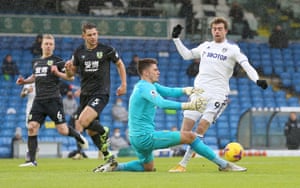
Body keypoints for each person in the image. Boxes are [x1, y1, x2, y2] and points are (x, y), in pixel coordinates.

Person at [93, 58, 246, 173]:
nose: (158, 71)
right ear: (146, 72)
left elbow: (169, 91)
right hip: (145, 137)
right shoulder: (145, 88)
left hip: (136, 137)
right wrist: (189, 105)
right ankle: (224, 165)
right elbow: (162, 103)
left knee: (148, 167)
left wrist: (188, 90)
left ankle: (116, 167)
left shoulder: (149, 85)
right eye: (155, 69)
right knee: (191, 137)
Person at [168, 17, 268, 172]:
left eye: (220, 28)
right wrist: (176, 39)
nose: (217, 31)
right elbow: (187, 55)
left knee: (201, 128)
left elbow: (246, 65)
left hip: (217, 94)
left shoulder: (232, 49)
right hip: (198, 92)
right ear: (211, 30)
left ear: (226, 31)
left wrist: (257, 80)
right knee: (185, 131)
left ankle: (183, 164)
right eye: (214, 29)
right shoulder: (205, 46)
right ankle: (201, 156)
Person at [16, 34, 88, 167]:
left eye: (50, 44)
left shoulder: (58, 61)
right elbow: (35, 76)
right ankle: (31, 160)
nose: (48, 46)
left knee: (62, 130)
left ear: (53, 46)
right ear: (42, 45)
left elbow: (70, 78)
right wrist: (24, 81)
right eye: (46, 44)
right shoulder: (36, 62)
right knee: (32, 127)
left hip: (53, 100)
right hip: (39, 101)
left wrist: (58, 73)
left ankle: (77, 135)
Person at [64, 22, 127, 163]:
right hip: (85, 94)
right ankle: (108, 156)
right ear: (83, 36)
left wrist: (123, 84)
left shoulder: (106, 50)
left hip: (100, 93)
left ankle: (104, 131)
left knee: (82, 121)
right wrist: (68, 69)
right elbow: (70, 75)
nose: (93, 37)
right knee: (90, 129)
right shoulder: (79, 52)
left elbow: (120, 64)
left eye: (95, 34)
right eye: (90, 35)